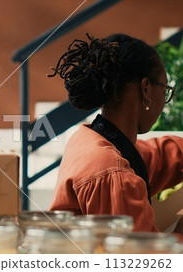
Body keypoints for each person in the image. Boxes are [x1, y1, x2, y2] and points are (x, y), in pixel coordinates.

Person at [48, 33, 182, 232]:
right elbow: (139, 260)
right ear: (146, 89)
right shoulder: (112, 172)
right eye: (165, 91)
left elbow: (160, 156)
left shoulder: (95, 139)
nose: (164, 102)